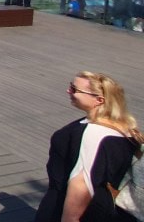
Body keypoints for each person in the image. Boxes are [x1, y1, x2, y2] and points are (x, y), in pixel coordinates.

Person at [34, 72, 141, 222]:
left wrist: (69, 219)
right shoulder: (127, 128)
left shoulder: (94, 133)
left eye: (74, 89)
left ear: (99, 100)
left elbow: (82, 184)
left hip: (65, 205)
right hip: (103, 206)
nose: (68, 91)